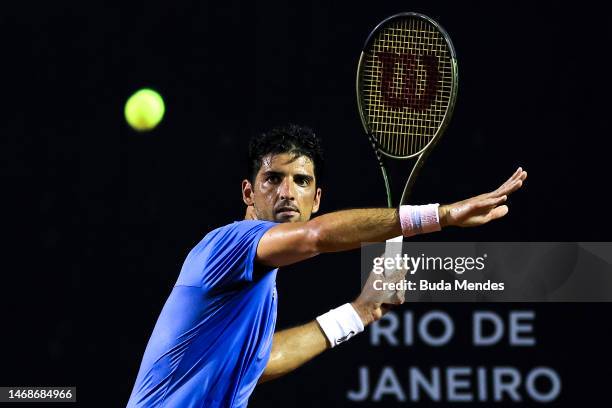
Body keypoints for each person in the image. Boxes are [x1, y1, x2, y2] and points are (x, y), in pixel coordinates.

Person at [127, 124, 527, 407]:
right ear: (248, 193)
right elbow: (315, 237)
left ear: (316, 198)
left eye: (301, 181)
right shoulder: (228, 243)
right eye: (272, 179)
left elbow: (258, 362)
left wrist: (358, 312)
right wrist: (441, 216)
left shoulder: (256, 283)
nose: (287, 193)